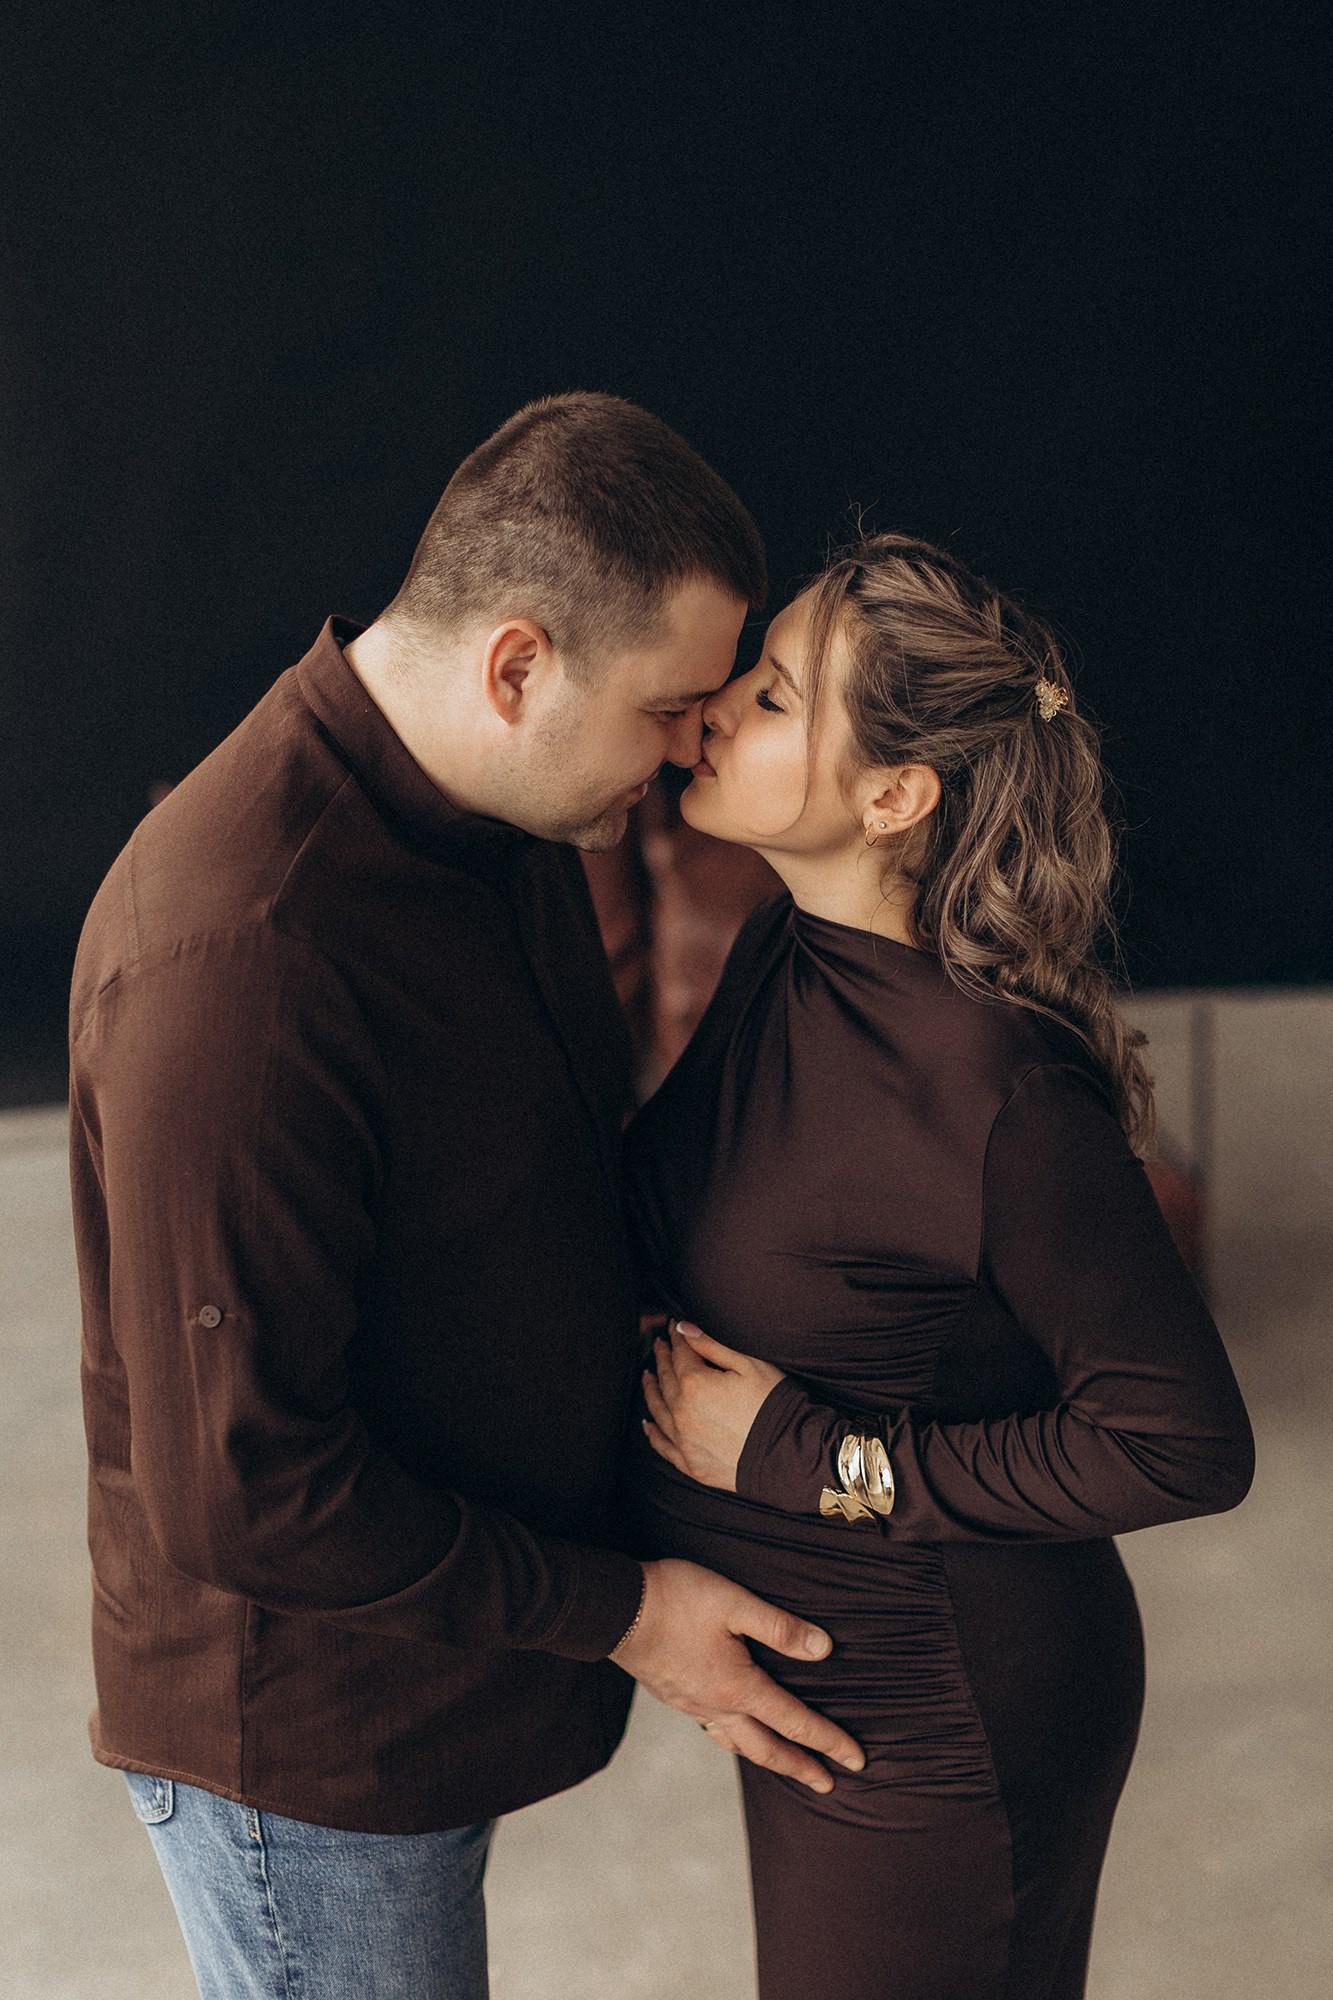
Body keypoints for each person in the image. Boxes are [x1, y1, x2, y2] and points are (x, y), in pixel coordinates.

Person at [68, 393, 863, 2000]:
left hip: (445, 1668)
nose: (693, 751)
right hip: (312, 1753)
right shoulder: (240, 968)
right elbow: (244, 1490)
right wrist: (624, 1612)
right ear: (516, 669)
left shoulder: (509, 814)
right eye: (669, 709)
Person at [628, 532, 1255, 2000]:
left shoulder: (997, 1093)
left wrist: (810, 1460)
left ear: (892, 797)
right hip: (812, 1680)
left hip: (944, 1721)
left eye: (773, 698)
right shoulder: (781, 953)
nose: (715, 707)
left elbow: (1179, 1444)